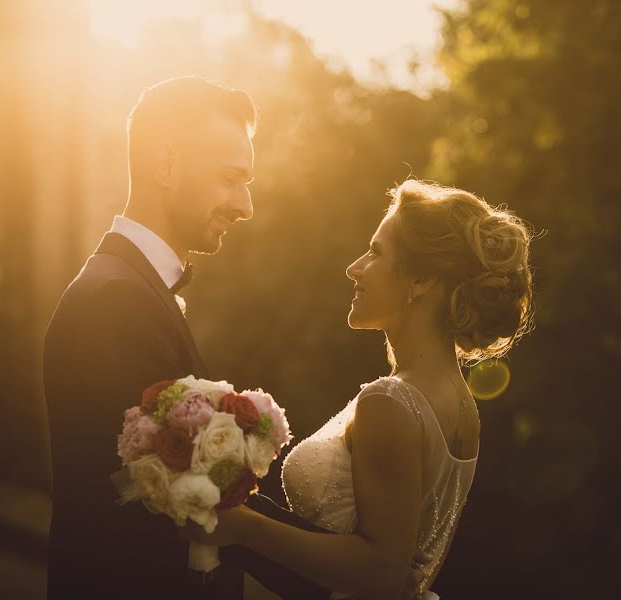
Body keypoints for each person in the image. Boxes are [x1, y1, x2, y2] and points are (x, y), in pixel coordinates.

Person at [44, 76, 428, 600]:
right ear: (165, 164)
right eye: (230, 177)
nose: (245, 205)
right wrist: (358, 576)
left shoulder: (130, 288)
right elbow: (182, 495)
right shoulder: (118, 299)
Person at [179, 179, 535, 599]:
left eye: (376, 252)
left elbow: (381, 573)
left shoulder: (391, 403)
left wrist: (245, 524)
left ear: (420, 279)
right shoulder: (459, 401)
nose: (355, 267)